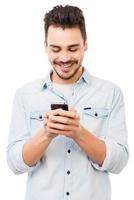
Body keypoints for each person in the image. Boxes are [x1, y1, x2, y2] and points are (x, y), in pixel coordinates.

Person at [7, 5, 129, 200]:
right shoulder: (25, 95)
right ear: (45, 46)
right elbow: (14, 164)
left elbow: (119, 162)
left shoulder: (110, 92)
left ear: (85, 44)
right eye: (56, 49)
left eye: (73, 49)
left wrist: (78, 132)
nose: (64, 58)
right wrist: (46, 134)